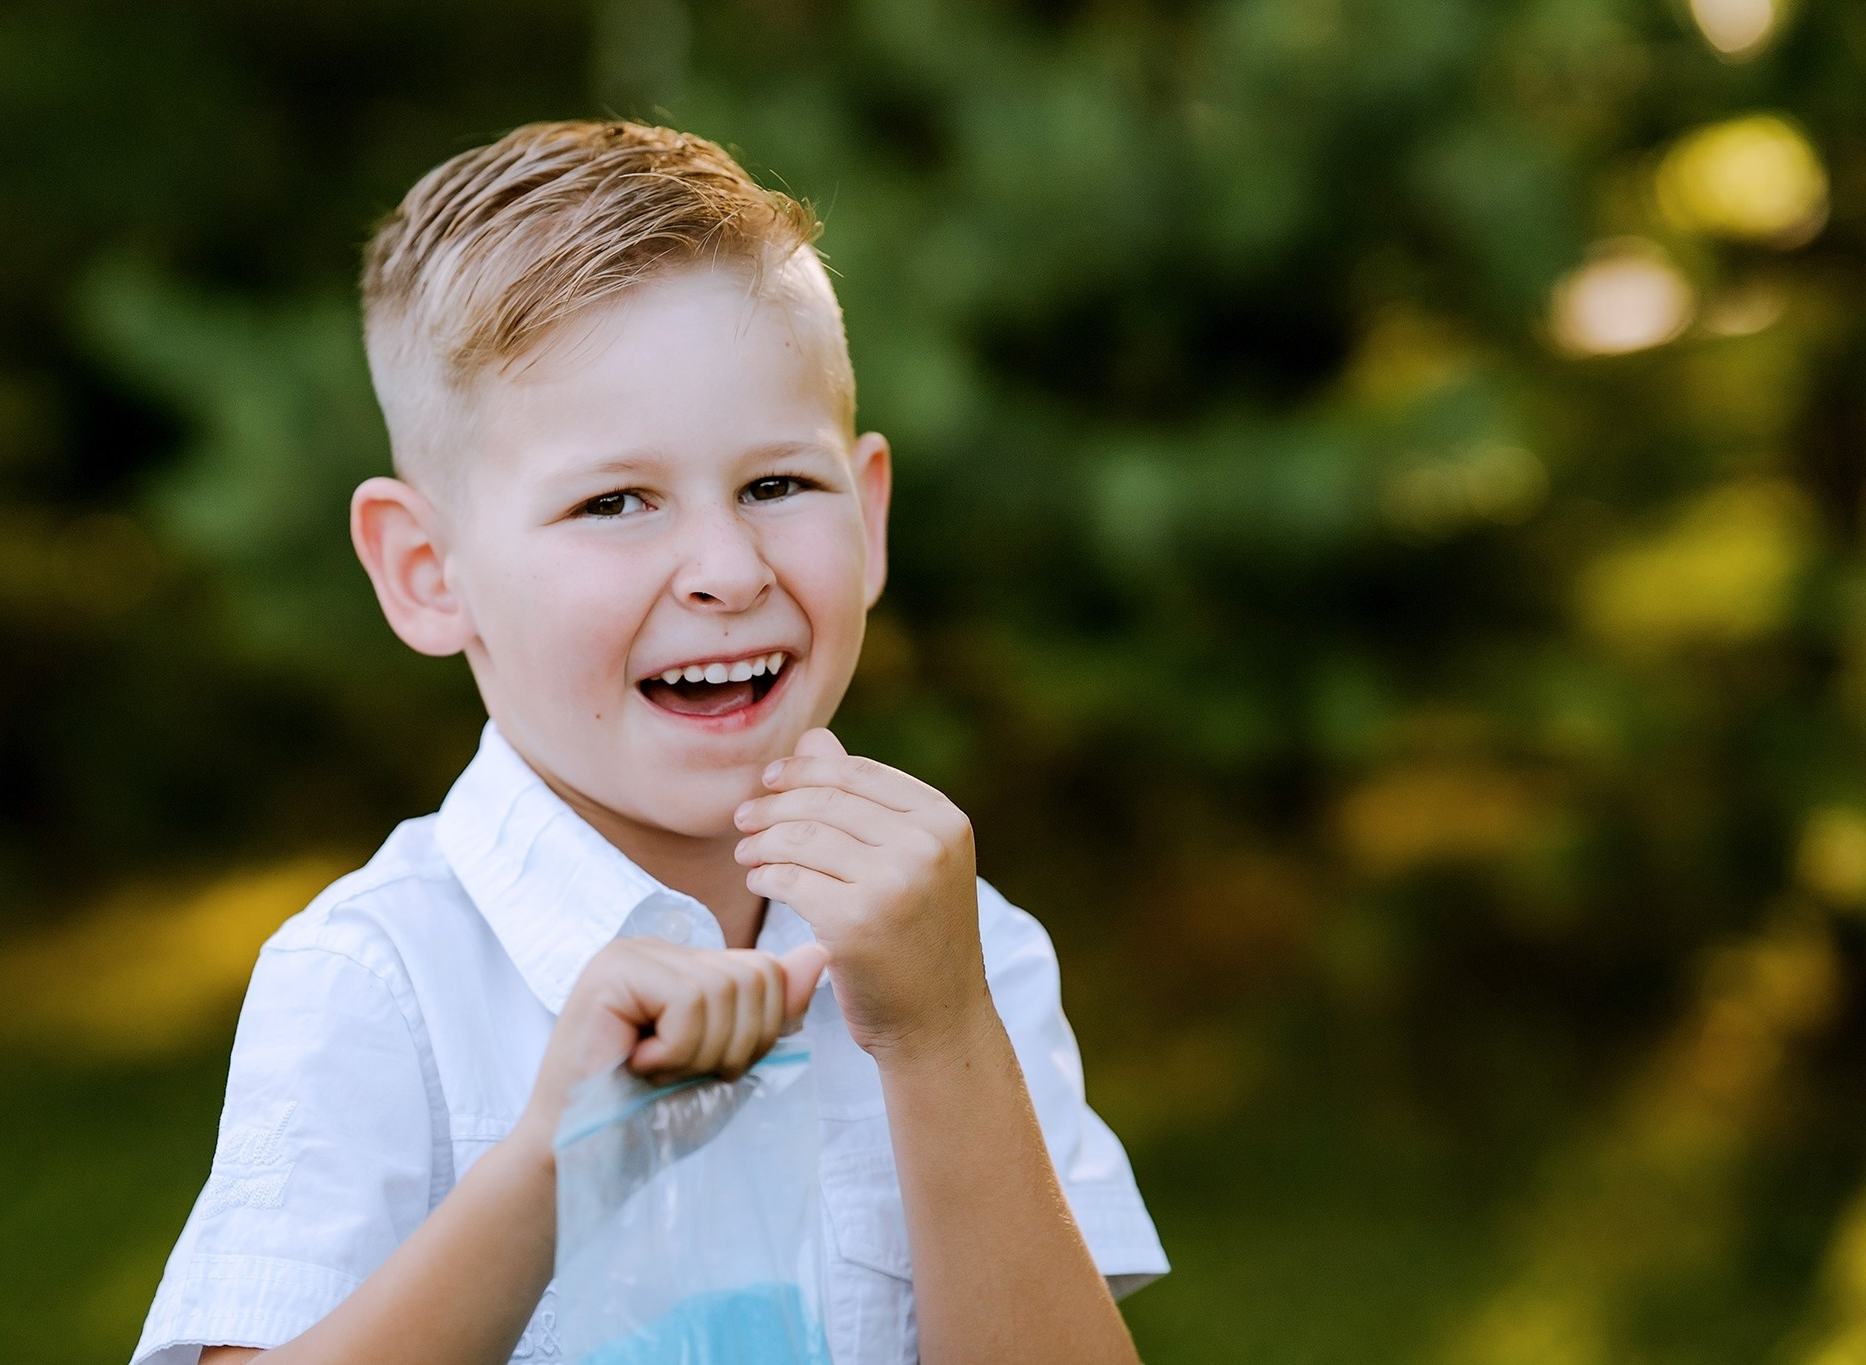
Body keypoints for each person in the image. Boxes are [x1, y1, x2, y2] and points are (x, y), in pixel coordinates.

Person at [130, 120, 1167, 1365]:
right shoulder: (376, 984)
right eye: (613, 502)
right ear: (427, 571)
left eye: (778, 485)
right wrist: (549, 1165)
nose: (726, 572)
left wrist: (939, 1039)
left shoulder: (967, 953)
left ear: (869, 511)